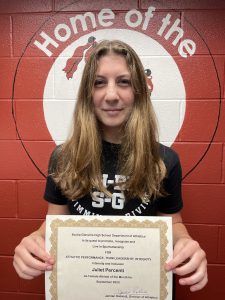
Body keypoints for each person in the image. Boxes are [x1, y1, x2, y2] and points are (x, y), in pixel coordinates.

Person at [13, 40, 207, 294]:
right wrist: (35, 241)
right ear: (87, 93)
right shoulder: (64, 157)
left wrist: (185, 243)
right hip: (80, 290)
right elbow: (54, 222)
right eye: (99, 82)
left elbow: (173, 223)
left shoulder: (165, 160)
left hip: (140, 288)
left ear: (138, 90)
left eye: (123, 82)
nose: (112, 95)